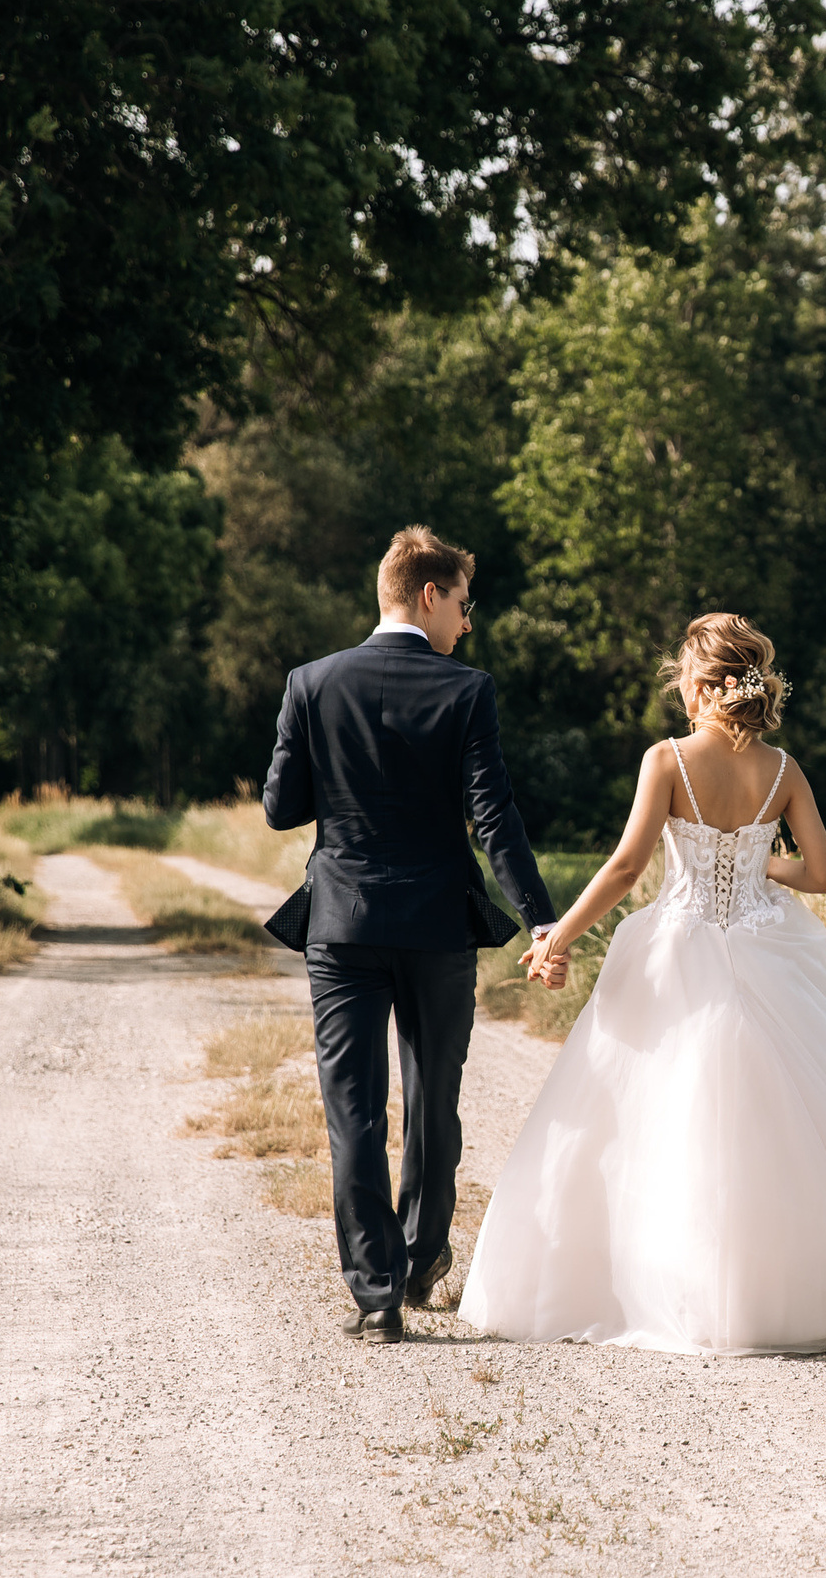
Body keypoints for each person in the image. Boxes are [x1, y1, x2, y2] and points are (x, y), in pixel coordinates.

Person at [456, 613, 826, 1354]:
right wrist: (759, 861)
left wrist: (557, 936)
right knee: (780, 1121)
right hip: (766, 948)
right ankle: (781, 1295)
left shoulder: (666, 759)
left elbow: (627, 867)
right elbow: (821, 875)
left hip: (678, 945)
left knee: (652, 1116)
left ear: (697, 688)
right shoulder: (784, 770)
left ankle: (665, 1285)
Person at [262, 526, 558, 1345]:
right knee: (433, 1099)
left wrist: (337, 769)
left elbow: (281, 807)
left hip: (342, 926)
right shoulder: (468, 691)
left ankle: (377, 1291)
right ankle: (424, 1259)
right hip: (436, 926)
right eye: (462, 603)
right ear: (429, 595)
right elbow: (494, 818)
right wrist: (541, 916)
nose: (467, 622)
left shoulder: (310, 683)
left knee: (352, 1107)